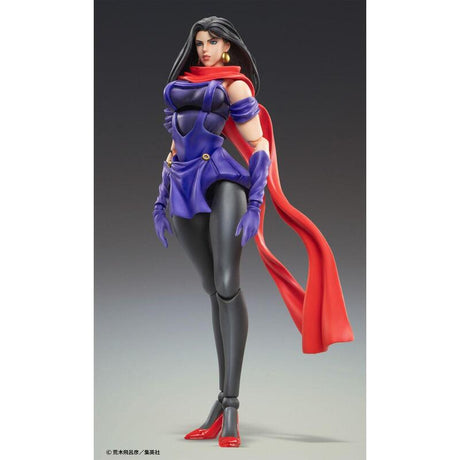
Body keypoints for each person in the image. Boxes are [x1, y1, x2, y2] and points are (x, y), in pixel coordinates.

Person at [153, 16, 354, 448]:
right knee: (212, 289)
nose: (205, 49)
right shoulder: (182, 83)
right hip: (184, 188)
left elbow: (258, 145)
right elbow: (174, 147)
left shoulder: (234, 86)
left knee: (228, 285)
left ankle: (231, 407)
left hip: (223, 183)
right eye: (200, 42)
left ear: (227, 46)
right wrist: (159, 198)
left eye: (213, 41)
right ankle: (219, 402)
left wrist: (256, 204)